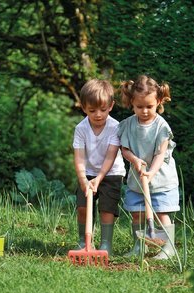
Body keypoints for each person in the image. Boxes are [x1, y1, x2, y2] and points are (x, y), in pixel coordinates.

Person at [118, 75, 180, 259]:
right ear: (132, 103)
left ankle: (168, 249)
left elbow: (161, 153)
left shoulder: (161, 126)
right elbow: (124, 149)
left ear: (159, 101)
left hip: (161, 179)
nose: (144, 111)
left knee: (161, 213)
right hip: (138, 180)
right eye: (139, 107)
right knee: (137, 214)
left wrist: (152, 172)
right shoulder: (128, 125)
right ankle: (139, 246)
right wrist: (135, 161)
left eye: (149, 106)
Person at [73, 79, 126, 255]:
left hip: (111, 173)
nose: (97, 115)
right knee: (82, 208)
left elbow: (111, 156)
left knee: (106, 208)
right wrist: (83, 180)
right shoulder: (81, 128)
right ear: (83, 107)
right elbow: (79, 157)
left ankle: (105, 244)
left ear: (111, 106)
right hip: (87, 173)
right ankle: (83, 241)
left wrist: (99, 178)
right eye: (92, 110)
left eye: (103, 110)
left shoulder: (115, 127)